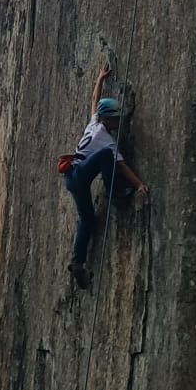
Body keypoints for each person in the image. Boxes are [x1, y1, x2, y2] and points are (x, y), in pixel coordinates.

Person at [64, 60, 147, 289]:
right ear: (108, 120)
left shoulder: (94, 123)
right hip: (79, 174)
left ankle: (78, 263)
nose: (119, 121)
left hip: (72, 178)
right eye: (116, 118)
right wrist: (138, 185)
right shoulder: (106, 140)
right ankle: (115, 193)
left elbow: (94, 101)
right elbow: (122, 166)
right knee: (106, 156)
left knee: (87, 219)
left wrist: (100, 78)